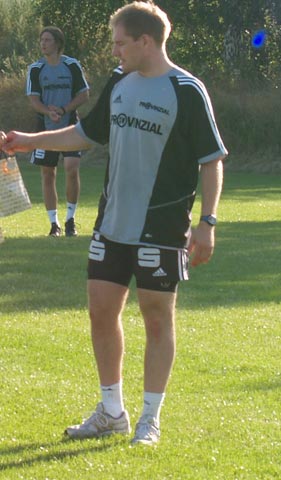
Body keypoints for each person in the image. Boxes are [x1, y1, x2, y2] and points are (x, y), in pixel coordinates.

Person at [1, 1, 227, 446]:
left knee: (157, 318)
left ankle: (149, 418)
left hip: (162, 226)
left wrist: (207, 222)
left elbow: (211, 160)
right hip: (111, 224)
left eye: (120, 43)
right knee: (101, 312)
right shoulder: (119, 82)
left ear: (146, 41)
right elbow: (87, 134)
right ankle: (111, 411)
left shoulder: (186, 90)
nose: (114, 51)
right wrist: (28, 141)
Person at [27, 26, 90, 237]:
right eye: (41, 40)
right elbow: (34, 100)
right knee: (48, 173)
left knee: (71, 168)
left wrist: (64, 110)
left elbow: (84, 95)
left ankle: (70, 220)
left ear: (58, 43)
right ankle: (54, 224)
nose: (43, 44)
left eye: (47, 40)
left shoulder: (71, 65)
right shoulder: (35, 69)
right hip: (45, 129)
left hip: (70, 126)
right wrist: (49, 111)